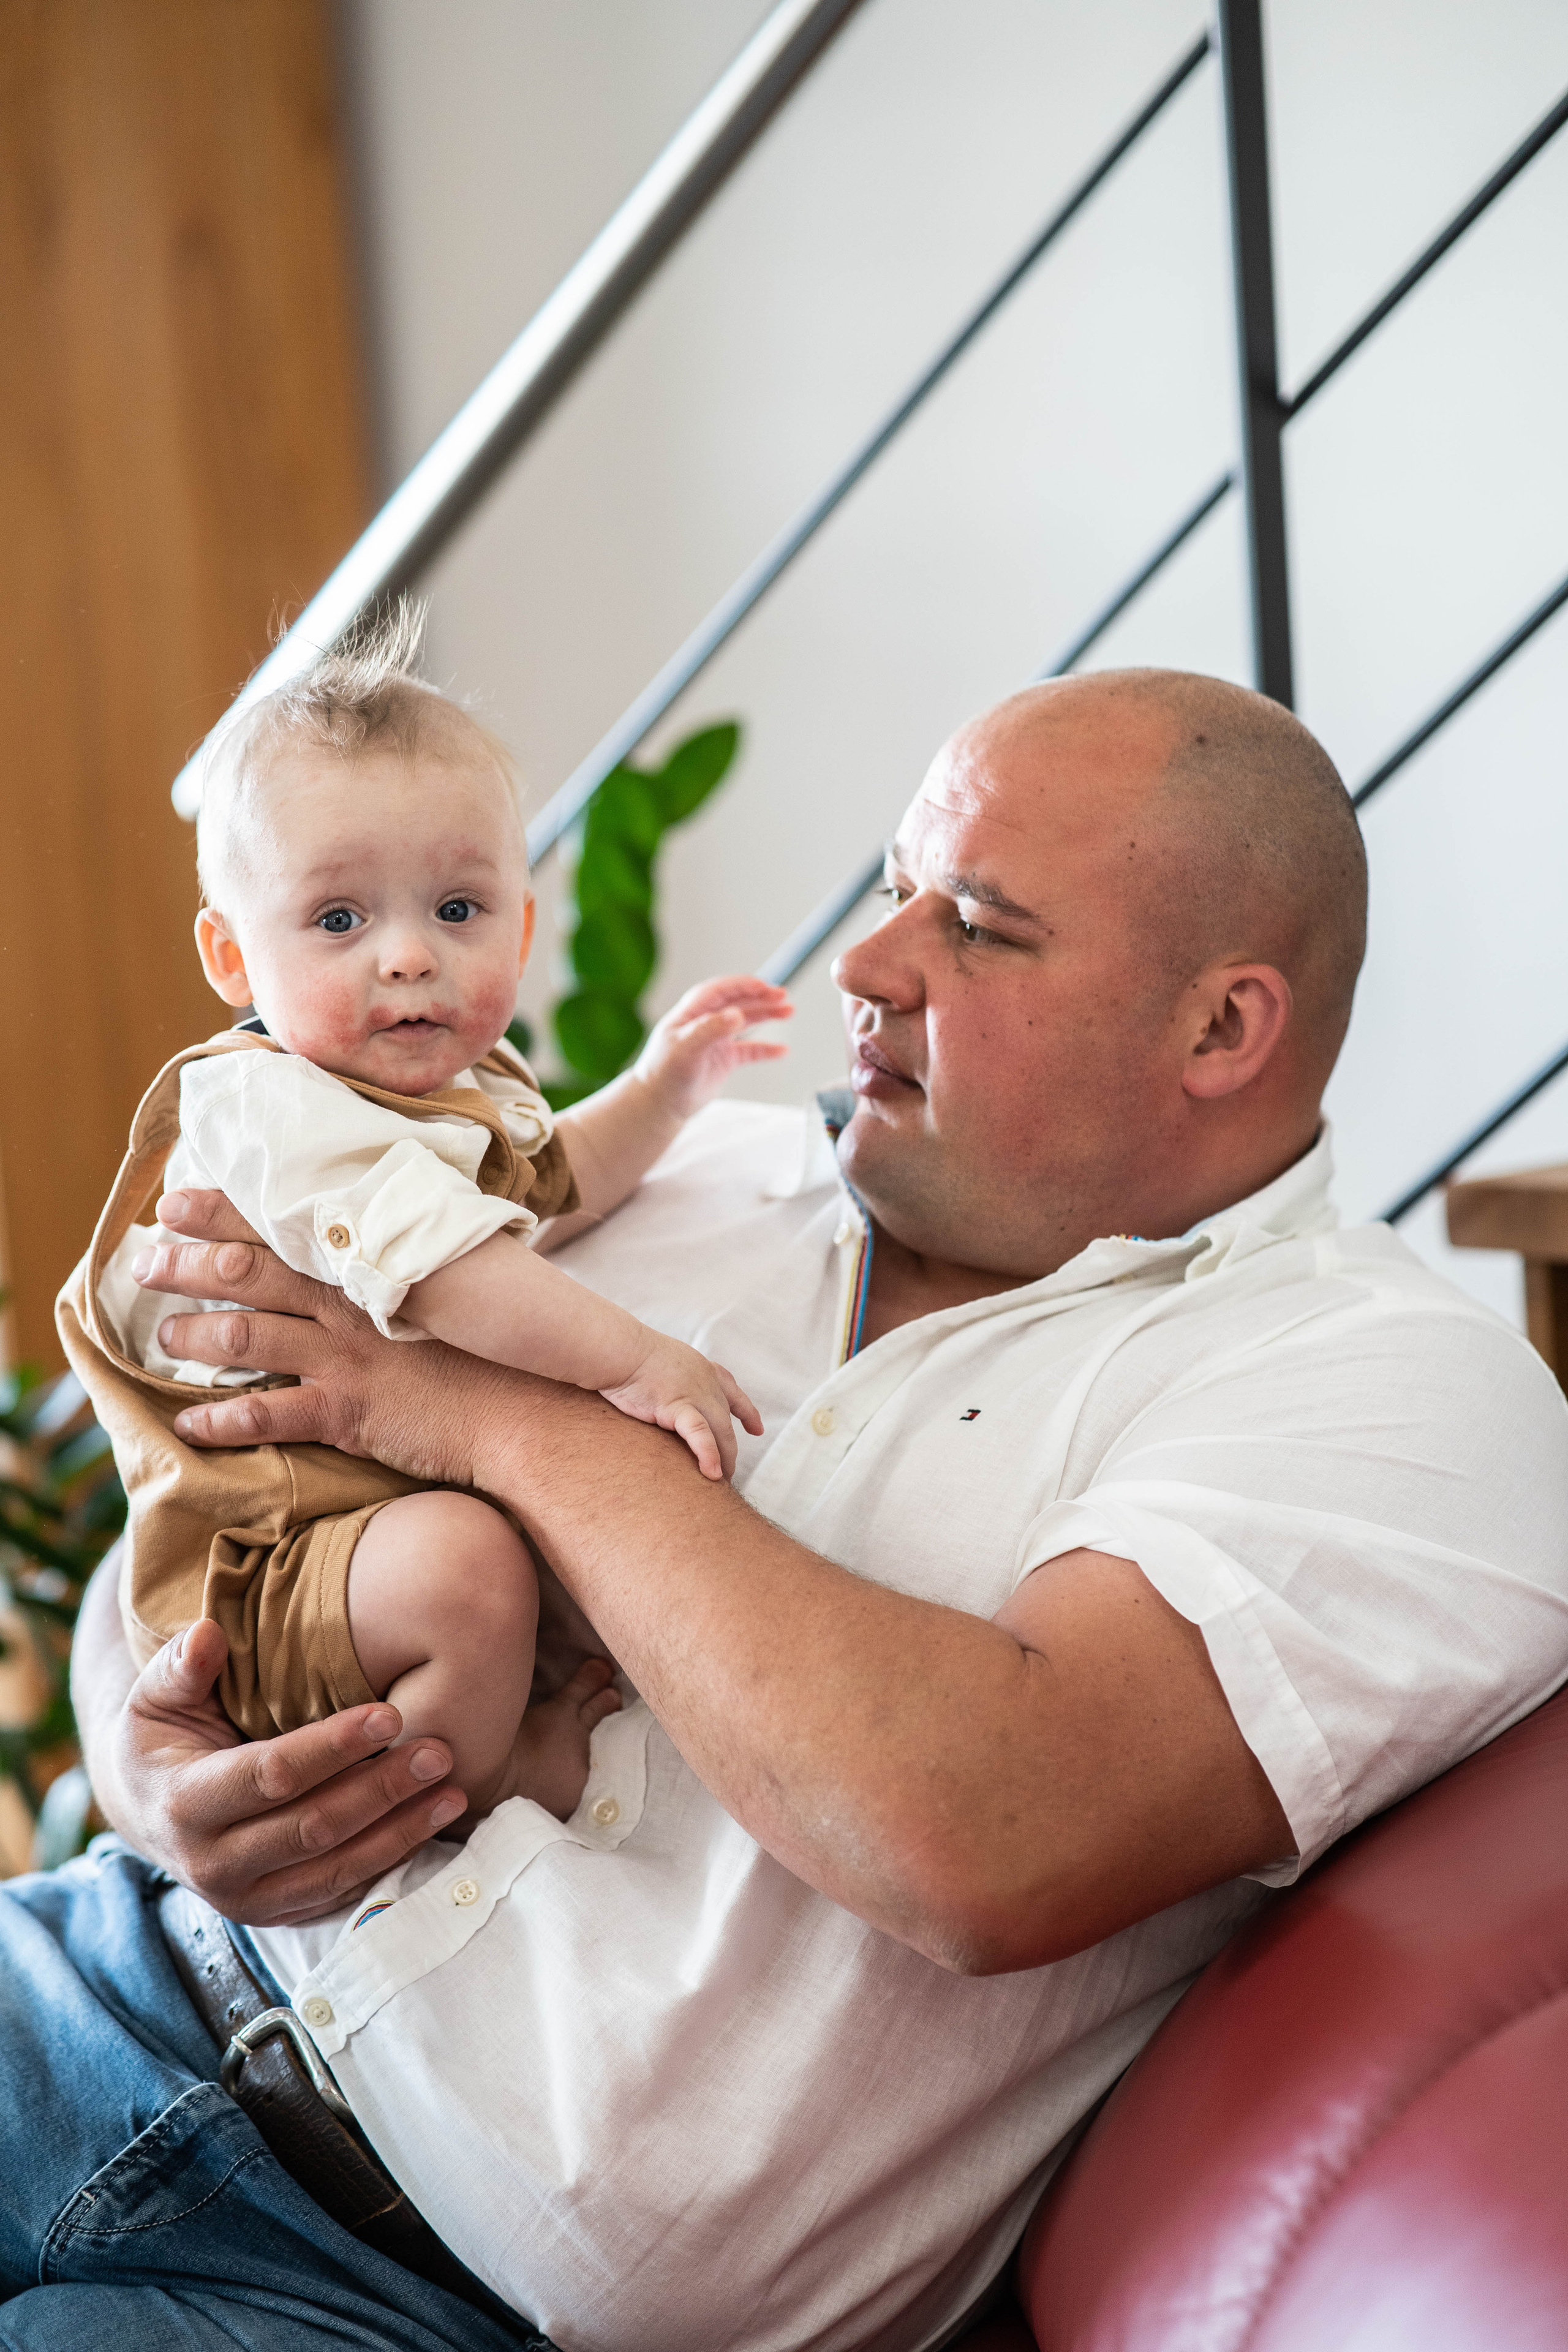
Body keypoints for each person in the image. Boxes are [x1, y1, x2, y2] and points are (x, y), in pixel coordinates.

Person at [7, 669, 1568, 2352]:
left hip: (410, 2304)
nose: (865, 964)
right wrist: (158, 1776)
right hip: (98, 1973)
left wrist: (489, 1422)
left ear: (1219, 1030)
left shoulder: (1390, 1388)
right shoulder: (668, 1179)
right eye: (896, 887)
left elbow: (985, 1832)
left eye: (977, 925)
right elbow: (199, 1511)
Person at [60, 612, 786, 1822]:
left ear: (521, 926)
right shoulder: (268, 1108)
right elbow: (454, 1272)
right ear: (232, 959)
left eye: (456, 909)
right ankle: (485, 1782)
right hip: (271, 1567)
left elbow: (555, 1186)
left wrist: (662, 1091)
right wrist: (635, 1359)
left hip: (369, 1541)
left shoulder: (463, 1091)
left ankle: (498, 1700)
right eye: (340, 920)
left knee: (553, 1542)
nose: (407, 956)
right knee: (469, 1566)